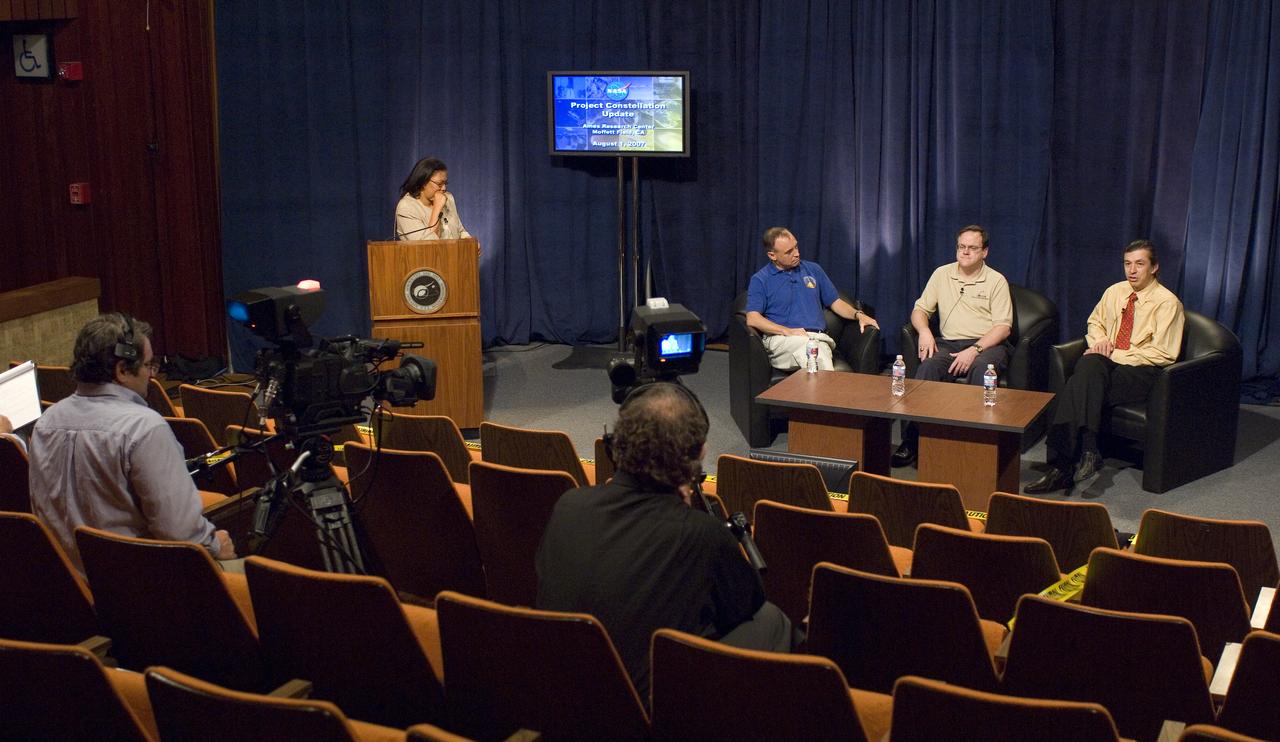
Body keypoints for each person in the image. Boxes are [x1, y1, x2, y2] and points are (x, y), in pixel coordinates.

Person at [536, 382, 791, 698]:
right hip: (645, 717)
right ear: (699, 455)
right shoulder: (702, 534)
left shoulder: (568, 506)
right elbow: (746, 604)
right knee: (772, 620)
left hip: (562, 697)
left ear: (617, 445)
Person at [28, 313, 235, 571]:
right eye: (149, 365)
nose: (153, 375)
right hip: (139, 588)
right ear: (122, 370)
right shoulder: (145, 428)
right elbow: (180, 534)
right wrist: (216, 545)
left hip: (68, 587)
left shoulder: (46, 421)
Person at [1026, 239, 1184, 493]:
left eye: (1140, 264)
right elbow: (1095, 322)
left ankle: (1061, 468)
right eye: (1127, 264)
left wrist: (1112, 354)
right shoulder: (1115, 292)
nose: (1132, 270)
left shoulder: (1168, 303)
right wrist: (1100, 342)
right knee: (1088, 368)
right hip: (1107, 364)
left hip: (1144, 371)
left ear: (1154, 267)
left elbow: (1163, 353)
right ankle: (1089, 450)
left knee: (1078, 384)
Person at [892, 225, 1014, 467]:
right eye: (961, 247)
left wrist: (974, 350)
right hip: (948, 344)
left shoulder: (996, 280)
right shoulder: (942, 274)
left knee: (982, 370)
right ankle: (912, 441)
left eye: (972, 248)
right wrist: (925, 331)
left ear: (985, 252)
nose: (965, 252)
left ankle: (976, 445)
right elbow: (920, 310)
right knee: (927, 369)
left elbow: (1003, 327)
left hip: (986, 345)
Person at [745, 227, 879, 372]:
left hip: (817, 338)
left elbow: (836, 302)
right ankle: (829, 391)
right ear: (772, 255)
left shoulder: (813, 270)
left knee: (815, 350)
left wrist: (858, 314)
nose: (797, 254)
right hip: (782, 340)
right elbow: (753, 318)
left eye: (796, 247)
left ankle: (819, 391)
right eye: (789, 252)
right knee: (812, 352)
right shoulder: (761, 279)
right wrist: (788, 331)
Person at [394, 156, 471, 241]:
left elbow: (460, 231)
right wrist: (437, 208)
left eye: (445, 183)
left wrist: (470, 241)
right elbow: (427, 246)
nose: (444, 188)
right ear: (423, 182)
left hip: (454, 254)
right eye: (439, 184)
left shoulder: (448, 198)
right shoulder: (407, 207)